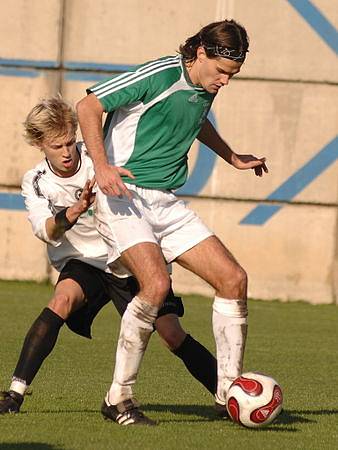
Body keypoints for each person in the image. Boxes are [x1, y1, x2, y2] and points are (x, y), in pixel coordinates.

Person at [76, 19, 268, 425]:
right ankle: (119, 398)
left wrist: (232, 157)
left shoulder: (205, 87)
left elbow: (194, 119)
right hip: (122, 197)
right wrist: (102, 165)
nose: (224, 82)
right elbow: (88, 106)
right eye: (221, 72)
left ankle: (229, 394)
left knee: (233, 279)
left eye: (231, 76)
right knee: (156, 285)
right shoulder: (161, 73)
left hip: (165, 202)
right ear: (200, 52)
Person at [0, 96, 219, 425]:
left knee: (171, 333)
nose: (66, 152)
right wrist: (73, 212)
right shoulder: (36, 181)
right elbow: (46, 231)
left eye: (69, 142)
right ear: (39, 144)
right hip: (84, 261)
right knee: (61, 299)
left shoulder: (98, 158)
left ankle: (229, 394)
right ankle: (14, 393)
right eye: (56, 146)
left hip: (126, 254)